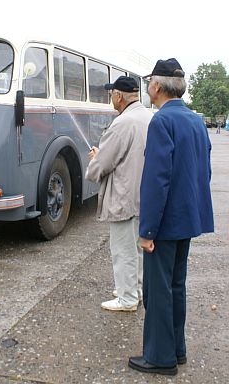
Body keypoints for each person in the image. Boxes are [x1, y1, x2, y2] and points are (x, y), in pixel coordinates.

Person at [128, 58, 214, 375]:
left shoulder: (161, 122)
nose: (148, 87)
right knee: (176, 286)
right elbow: (202, 173)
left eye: (149, 82)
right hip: (186, 220)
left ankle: (160, 357)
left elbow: (156, 180)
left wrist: (147, 230)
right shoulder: (195, 120)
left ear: (157, 86)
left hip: (163, 224)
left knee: (157, 290)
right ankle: (177, 350)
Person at [85, 76, 153, 312]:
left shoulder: (123, 123)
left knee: (123, 250)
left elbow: (102, 164)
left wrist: (95, 159)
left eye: (111, 93)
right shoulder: (148, 116)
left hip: (124, 195)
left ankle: (127, 299)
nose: (110, 98)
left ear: (119, 96)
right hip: (144, 194)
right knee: (137, 248)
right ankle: (137, 290)